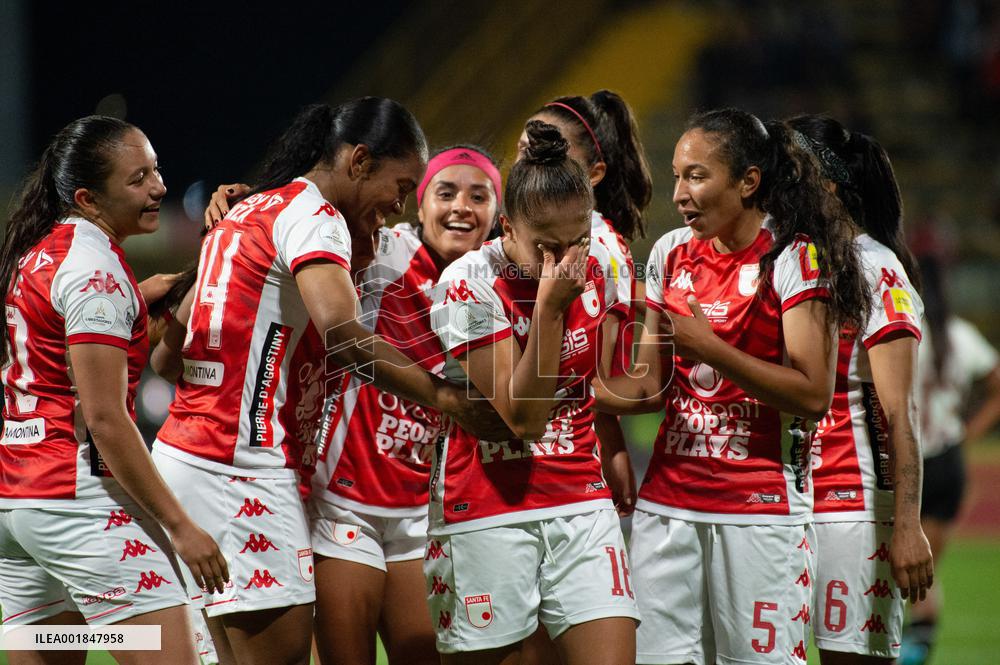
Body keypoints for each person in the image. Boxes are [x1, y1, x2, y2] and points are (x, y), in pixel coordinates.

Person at [149, 98, 503, 665]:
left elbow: (170, 361)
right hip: (244, 465)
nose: (398, 203)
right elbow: (343, 334)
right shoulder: (318, 220)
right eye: (402, 184)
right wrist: (444, 398)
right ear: (359, 162)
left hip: (189, 454)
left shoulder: (250, 214)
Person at [596, 108, 870, 664]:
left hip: (761, 509)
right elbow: (649, 386)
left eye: (696, 176)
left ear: (748, 181)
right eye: (676, 176)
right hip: (668, 507)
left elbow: (814, 393)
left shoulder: (794, 256)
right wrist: (570, 395)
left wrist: (712, 350)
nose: (679, 194)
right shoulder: (671, 252)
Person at [0, 115, 228, 665]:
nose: (159, 188)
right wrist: (181, 528)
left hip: (19, 509)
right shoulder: (93, 272)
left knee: (66, 646)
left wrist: (154, 290)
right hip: (75, 502)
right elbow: (105, 419)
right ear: (87, 196)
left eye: (156, 170)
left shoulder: (46, 252)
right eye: (138, 179)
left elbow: (93, 325)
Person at [425, 120, 640, 665]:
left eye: (578, 240)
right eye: (546, 245)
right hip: (487, 507)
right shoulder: (465, 284)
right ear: (506, 227)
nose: (566, 261)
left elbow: (604, 381)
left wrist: (610, 441)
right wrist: (548, 308)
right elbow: (523, 418)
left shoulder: (603, 265)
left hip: (582, 501)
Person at [303, 145, 501, 665]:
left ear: (496, 216)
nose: (461, 206)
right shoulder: (381, 249)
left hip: (422, 512)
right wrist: (236, 199)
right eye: (446, 192)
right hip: (343, 502)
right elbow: (303, 216)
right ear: (418, 203)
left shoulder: (493, 287)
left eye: (478, 196)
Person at [785, 115, 934, 665]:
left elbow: (900, 412)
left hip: (853, 505)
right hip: (788, 499)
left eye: (790, 172)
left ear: (825, 185)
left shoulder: (876, 268)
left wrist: (907, 526)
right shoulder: (795, 264)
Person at [519, 91, 653, 519]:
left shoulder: (597, 248)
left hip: (569, 461)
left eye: (554, 151)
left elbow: (598, 376)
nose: (534, 162)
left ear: (594, 173)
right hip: (533, 453)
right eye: (526, 150)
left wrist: (608, 441)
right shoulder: (527, 234)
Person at [899, 253, 1000, 665]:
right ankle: (917, 648)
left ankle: (902, 648)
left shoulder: (901, 330)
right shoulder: (961, 335)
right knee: (925, 570)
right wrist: (967, 434)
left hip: (907, 461)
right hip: (946, 462)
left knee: (893, 568)